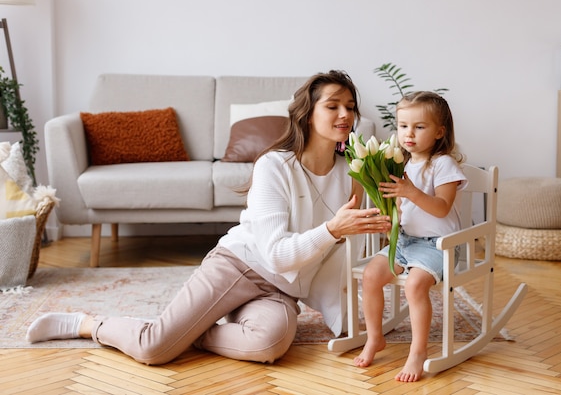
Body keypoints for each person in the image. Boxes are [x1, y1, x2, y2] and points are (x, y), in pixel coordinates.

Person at [26, 70, 391, 365]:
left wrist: (343, 315)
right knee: (154, 348)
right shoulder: (274, 166)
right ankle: (88, 324)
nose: (345, 114)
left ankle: (191, 330)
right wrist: (331, 229)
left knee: (271, 344)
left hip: (282, 287)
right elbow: (278, 254)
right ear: (308, 114)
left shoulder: (354, 172)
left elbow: (339, 254)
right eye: (333, 106)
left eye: (350, 106)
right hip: (240, 265)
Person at [353, 91, 467, 382]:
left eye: (419, 126)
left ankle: (418, 351)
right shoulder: (397, 164)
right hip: (404, 242)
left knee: (415, 285)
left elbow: (441, 209)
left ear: (439, 132)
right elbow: (400, 209)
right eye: (403, 126)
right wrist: (388, 217)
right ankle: (375, 337)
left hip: (437, 246)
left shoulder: (442, 165)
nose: (409, 134)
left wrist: (411, 191)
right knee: (370, 276)